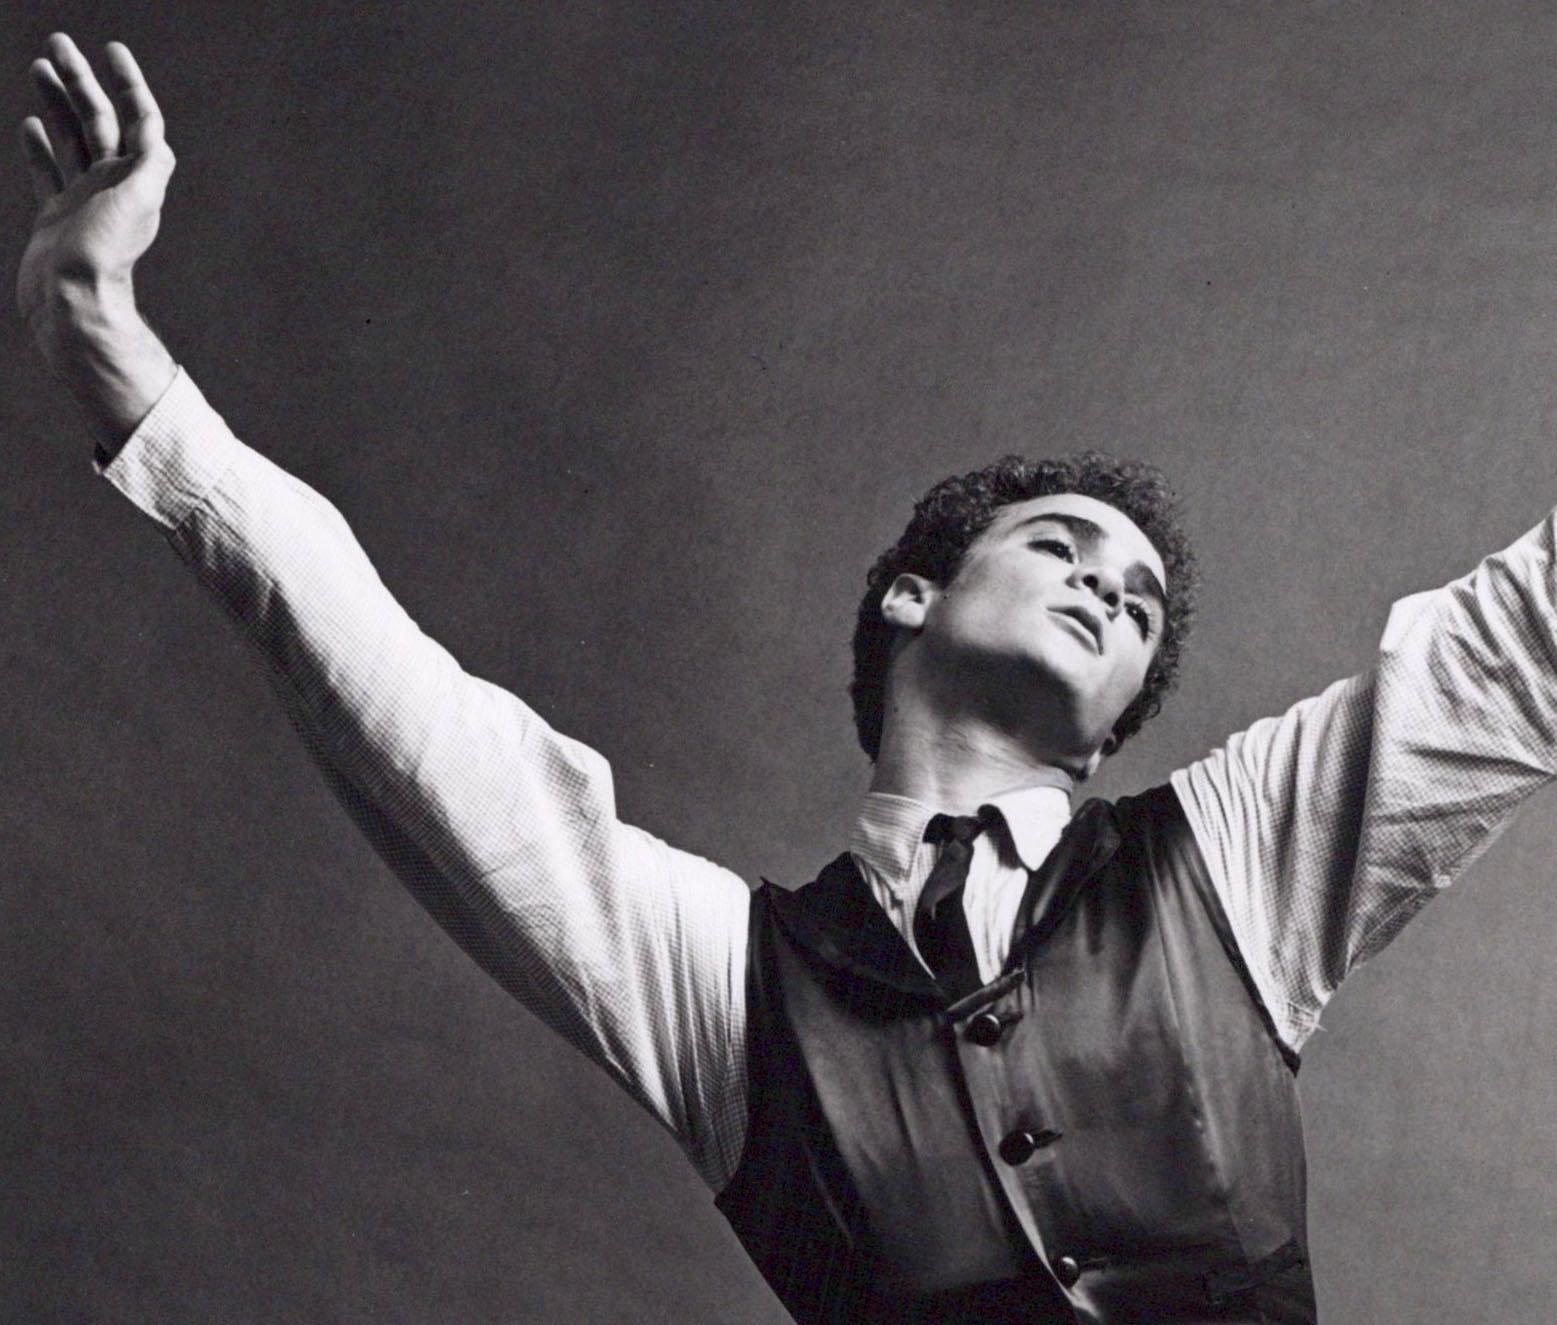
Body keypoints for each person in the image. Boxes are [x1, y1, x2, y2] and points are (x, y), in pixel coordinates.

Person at [17, 33, 1557, 1325]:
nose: (1111, 579)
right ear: (913, 592)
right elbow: (398, 700)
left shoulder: (1232, 861)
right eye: (1062, 544)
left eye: (1141, 600)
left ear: (1109, 736)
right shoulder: (727, 989)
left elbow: (1512, 644)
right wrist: (100, 331)